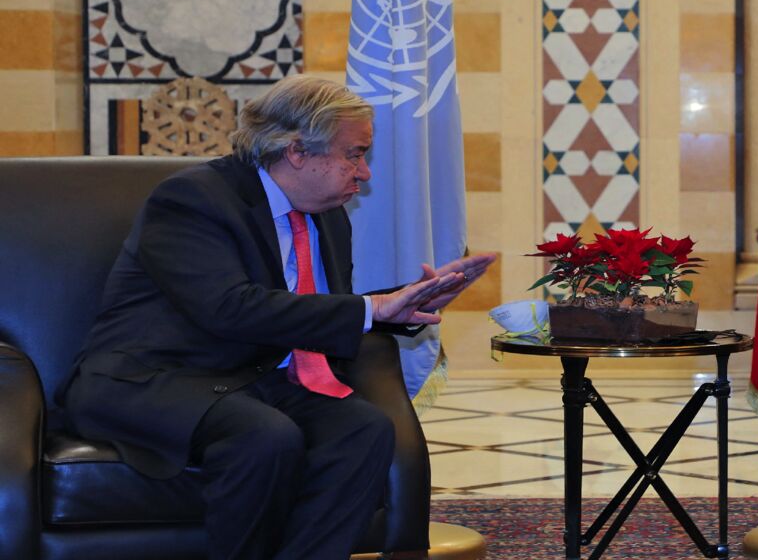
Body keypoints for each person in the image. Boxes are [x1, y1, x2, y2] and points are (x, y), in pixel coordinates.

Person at [59, 75, 496, 560]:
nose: (365, 173)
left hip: (247, 378)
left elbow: (308, 309)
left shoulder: (329, 213)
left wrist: (404, 304)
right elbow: (229, 307)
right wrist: (370, 310)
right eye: (354, 154)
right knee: (265, 436)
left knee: (364, 429)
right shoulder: (192, 199)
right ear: (297, 151)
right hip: (150, 377)